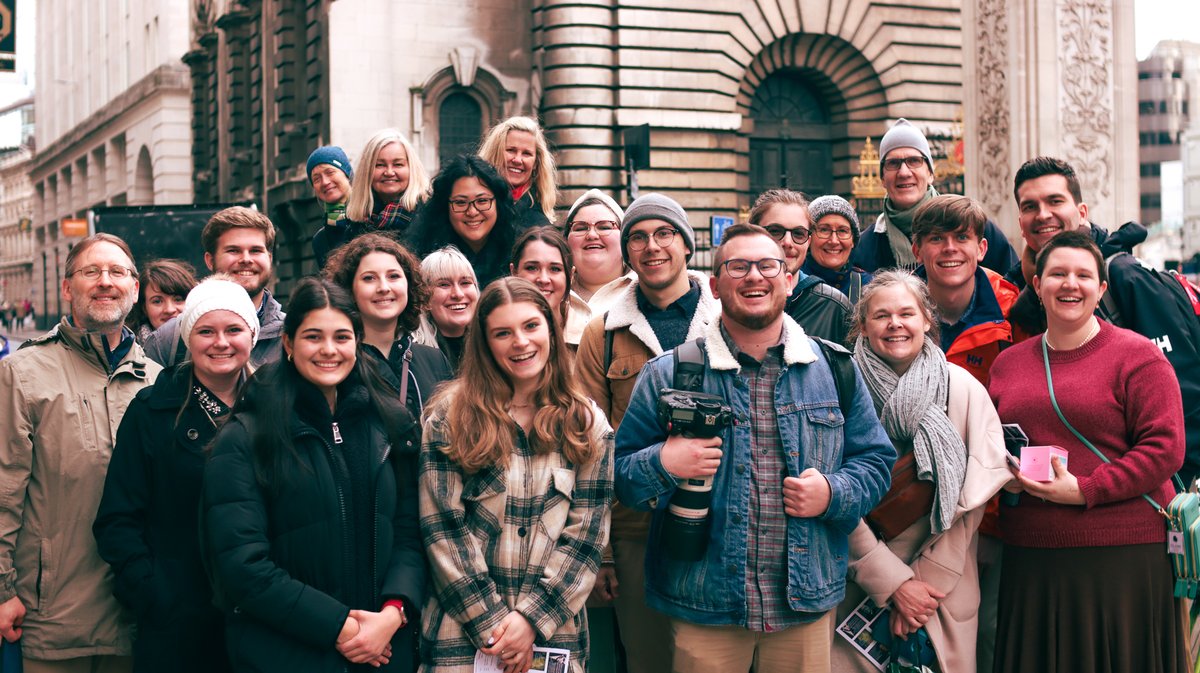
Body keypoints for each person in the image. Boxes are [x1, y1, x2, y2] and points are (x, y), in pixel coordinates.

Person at [614, 223, 894, 673]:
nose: (754, 277)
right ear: (715, 284)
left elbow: (876, 462)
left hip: (802, 604)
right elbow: (620, 476)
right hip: (703, 603)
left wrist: (833, 492)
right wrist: (663, 463)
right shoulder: (668, 373)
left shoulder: (835, 369)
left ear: (788, 278)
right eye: (738, 266)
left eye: (767, 265)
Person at [201, 278, 425, 673]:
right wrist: (339, 626)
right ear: (288, 344)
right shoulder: (245, 437)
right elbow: (243, 566)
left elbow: (412, 530)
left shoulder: (387, 424)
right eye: (313, 336)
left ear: (357, 342)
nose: (328, 350)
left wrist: (393, 613)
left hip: (384, 650)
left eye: (342, 337)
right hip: (289, 653)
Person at [988, 231, 1186, 673]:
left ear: (1102, 289)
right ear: (1037, 286)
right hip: (1031, 552)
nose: (1069, 284)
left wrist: (1086, 489)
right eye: (1057, 274)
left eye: (1083, 275)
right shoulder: (1008, 363)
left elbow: (1165, 449)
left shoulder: (1139, 358)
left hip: (1122, 552)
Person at [418, 277, 613, 673]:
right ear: (485, 343)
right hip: (461, 636)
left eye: (530, 326)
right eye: (502, 333)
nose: (520, 342)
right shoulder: (450, 418)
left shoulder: (586, 423)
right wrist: (493, 627)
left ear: (550, 330)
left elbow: (587, 537)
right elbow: (442, 530)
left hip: (552, 637)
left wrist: (530, 621)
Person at [830, 271, 1009, 673]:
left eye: (907, 313)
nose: (895, 324)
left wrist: (918, 590)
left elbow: (976, 494)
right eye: (881, 316)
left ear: (928, 320)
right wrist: (891, 584)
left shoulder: (963, 388)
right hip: (856, 580)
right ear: (863, 325)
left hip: (941, 584)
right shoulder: (837, 388)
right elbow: (832, 496)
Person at [0, 233, 162, 672]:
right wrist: (2, 591)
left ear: (134, 289)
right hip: (50, 621)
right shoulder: (22, 373)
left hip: (138, 618)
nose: (105, 282)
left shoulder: (159, 381)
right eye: (91, 272)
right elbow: (3, 491)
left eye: (117, 273)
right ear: (68, 288)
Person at [574, 193, 720, 673]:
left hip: (722, 522)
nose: (651, 246)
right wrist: (604, 554)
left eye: (664, 234)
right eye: (637, 236)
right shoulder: (605, 331)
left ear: (685, 245)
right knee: (649, 662)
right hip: (635, 528)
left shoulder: (727, 320)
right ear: (626, 251)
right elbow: (587, 449)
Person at [94, 276, 259, 673]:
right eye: (206, 331)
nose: (221, 342)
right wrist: (154, 595)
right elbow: (118, 519)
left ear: (252, 335)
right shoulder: (152, 410)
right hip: (178, 625)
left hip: (262, 616)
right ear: (188, 337)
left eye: (233, 329)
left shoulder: (275, 407)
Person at [1007, 156, 1200, 486]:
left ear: (1081, 212)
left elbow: (1186, 398)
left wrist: (1175, 492)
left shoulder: (1125, 278)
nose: (1043, 215)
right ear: (1022, 223)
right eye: (1030, 206)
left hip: (1148, 495)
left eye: (1055, 201)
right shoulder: (1020, 295)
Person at [854, 119, 1017, 274]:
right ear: (882, 178)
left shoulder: (974, 225)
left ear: (931, 173)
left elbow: (1011, 289)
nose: (903, 172)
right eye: (893, 163)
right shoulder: (865, 247)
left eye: (914, 160)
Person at [323, 233, 452, 425]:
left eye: (393, 276)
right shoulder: (337, 362)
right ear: (349, 289)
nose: (384, 287)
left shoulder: (434, 359)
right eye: (369, 278)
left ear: (408, 284)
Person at [144, 206, 286, 369]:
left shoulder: (292, 334)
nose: (246, 259)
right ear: (210, 260)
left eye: (255, 250)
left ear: (269, 258)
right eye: (233, 250)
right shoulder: (168, 339)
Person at [910, 194, 1019, 386]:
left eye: (962, 237)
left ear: (981, 249)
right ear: (917, 251)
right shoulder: (893, 311)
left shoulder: (1012, 312)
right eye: (936, 238)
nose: (950, 248)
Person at [747, 188, 853, 344]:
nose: (788, 243)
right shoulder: (732, 300)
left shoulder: (835, 308)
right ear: (752, 234)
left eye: (798, 233)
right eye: (775, 231)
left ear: (808, 241)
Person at [408, 154, 519, 288]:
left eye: (482, 200)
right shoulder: (419, 254)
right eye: (460, 202)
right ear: (445, 207)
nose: (472, 212)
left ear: (498, 204)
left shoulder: (519, 252)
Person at [510, 226, 588, 347]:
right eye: (532, 268)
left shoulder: (590, 338)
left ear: (570, 275)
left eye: (555, 269)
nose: (544, 279)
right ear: (514, 272)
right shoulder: (491, 332)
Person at [478, 116, 558, 229]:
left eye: (526, 153)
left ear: (536, 163)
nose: (517, 160)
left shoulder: (540, 227)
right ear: (495, 153)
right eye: (511, 150)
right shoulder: (471, 209)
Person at [562, 190, 634, 314]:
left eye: (605, 227)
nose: (592, 235)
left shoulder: (645, 292)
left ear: (624, 239)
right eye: (580, 228)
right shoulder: (552, 294)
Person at [414, 246, 480, 371]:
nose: (458, 294)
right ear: (424, 295)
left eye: (465, 283)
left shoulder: (494, 346)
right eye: (444, 285)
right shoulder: (411, 356)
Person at [802, 195, 872, 306]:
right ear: (809, 237)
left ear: (853, 240)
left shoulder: (869, 287)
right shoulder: (792, 284)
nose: (834, 241)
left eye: (842, 231)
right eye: (824, 230)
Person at [125, 259, 198, 344]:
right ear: (145, 308)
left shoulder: (212, 342)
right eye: (157, 301)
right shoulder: (125, 349)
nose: (169, 310)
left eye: (178, 299)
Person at [307, 145, 355, 268]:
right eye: (316, 179)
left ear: (347, 174)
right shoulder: (320, 240)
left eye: (330, 172)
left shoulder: (373, 218)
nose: (325, 182)